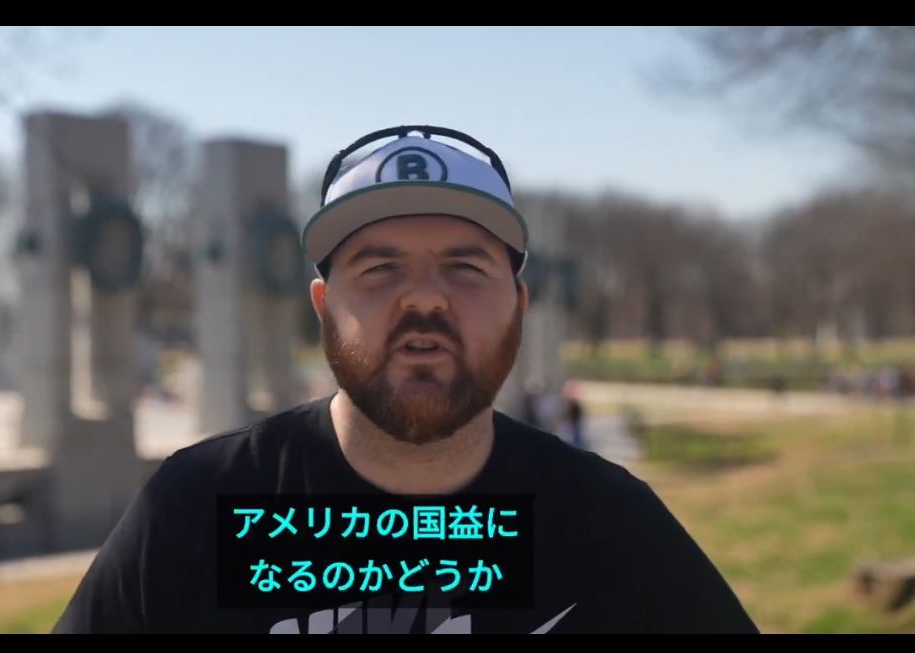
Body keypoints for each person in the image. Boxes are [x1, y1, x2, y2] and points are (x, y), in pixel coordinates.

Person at [52, 125, 758, 634]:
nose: (424, 299)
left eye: (465, 267)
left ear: (520, 306)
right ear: (323, 307)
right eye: (380, 268)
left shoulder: (608, 525)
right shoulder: (195, 508)